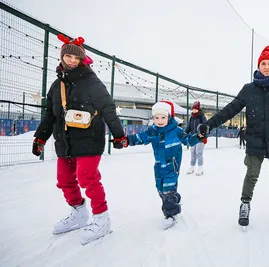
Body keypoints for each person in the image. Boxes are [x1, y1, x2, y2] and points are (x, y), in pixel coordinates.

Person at [32, 34, 126, 245]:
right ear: (62, 57)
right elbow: (49, 115)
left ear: (82, 59)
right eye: (68, 56)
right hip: (64, 141)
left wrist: (119, 134)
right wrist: (40, 139)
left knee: (87, 178)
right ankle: (79, 213)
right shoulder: (57, 85)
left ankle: (102, 218)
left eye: (76, 58)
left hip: (90, 138)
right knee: (64, 180)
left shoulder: (92, 82)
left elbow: (108, 109)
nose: (72, 61)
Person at [197, 46, 269, 228]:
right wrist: (209, 124)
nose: (267, 66)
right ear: (258, 66)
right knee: (251, 175)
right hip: (255, 140)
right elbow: (230, 110)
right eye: (263, 63)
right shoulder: (249, 89)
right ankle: (245, 204)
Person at [125, 101, 204, 229]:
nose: (160, 120)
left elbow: (188, 140)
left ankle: (170, 214)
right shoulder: (153, 131)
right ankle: (175, 197)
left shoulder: (176, 131)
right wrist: (126, 140)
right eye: (156, 117)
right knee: (160, 189)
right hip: (158, 166)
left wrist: (200, 135)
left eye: (163, 117)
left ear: (169, 117)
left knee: (168, 188)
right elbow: (140, 137)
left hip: (172, 165)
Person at [185, 101, 207, 176]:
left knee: (198, 153)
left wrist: (202, 133)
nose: (194, 110)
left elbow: (206, 126)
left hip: (200, 137)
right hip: (193, 138)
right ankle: (192, 167)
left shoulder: (202, 116)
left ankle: (200, 168)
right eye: (193, 109)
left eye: (195, 109)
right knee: (193, 153)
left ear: (198, 109)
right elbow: (189, 127)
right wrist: (185, 133)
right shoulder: (192, 117)